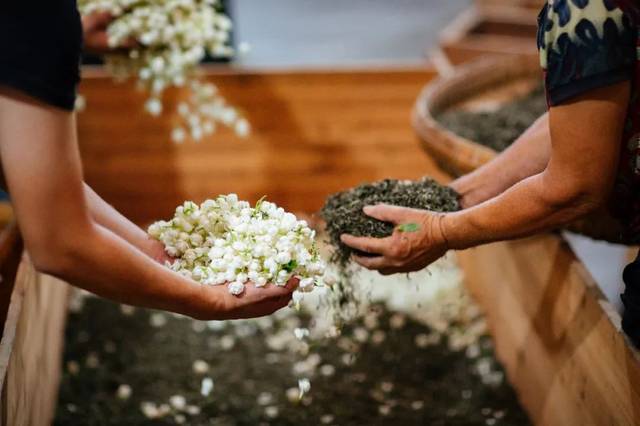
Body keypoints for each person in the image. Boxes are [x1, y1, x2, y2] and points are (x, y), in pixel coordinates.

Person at [341, 0, 640, 346]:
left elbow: (574, 189)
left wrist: (441, 232)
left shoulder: (582, 10)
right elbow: (585, 120)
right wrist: (454, 198)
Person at [0, 2, 296, 320]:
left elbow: (23, 172)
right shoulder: (36, 17)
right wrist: (208, 299)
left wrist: (152, 250)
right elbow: (60, 244)